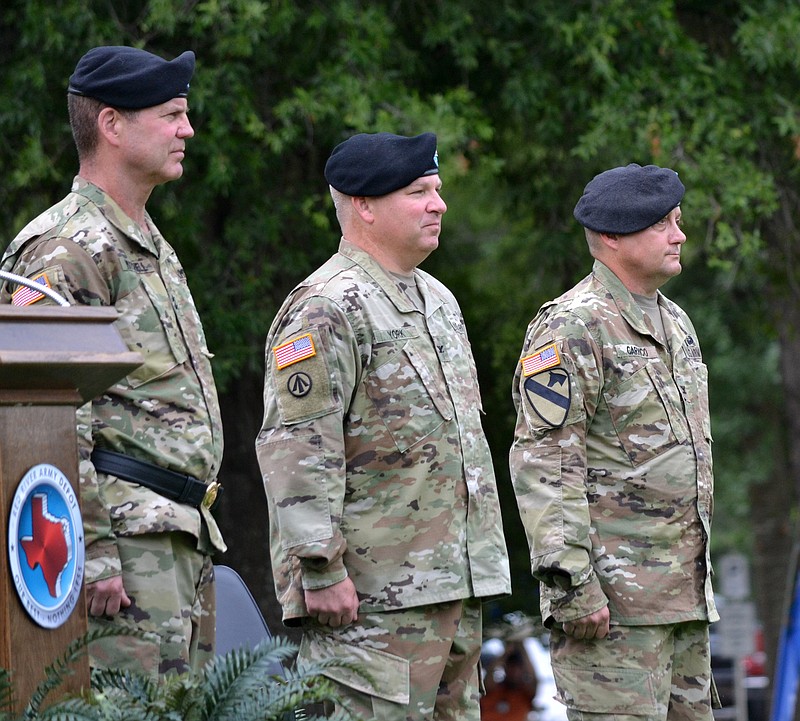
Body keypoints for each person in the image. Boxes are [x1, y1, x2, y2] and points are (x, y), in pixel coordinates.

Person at [256, 131, 511, 720]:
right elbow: (297, 447)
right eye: (419, 191)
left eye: (438, 189)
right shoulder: (327, 306)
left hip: (452, 588)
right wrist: (320, 568)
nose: (438, 203)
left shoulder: (439, 301)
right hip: (371, 601)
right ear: (364, 205)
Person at [0, 45, 225, 680]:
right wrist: (89, 547)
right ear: (112, 124)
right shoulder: (67, 247)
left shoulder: (146, 243)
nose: (187, 130)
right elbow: (44, 410)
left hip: (178, 536)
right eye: (172, 114)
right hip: (123, 549)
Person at [509, 163, 719, 721]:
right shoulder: (572, 327)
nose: (680, 235)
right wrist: (572, 584)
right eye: (663, 225)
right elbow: (546, 462)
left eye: (678, 220)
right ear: (612, 238)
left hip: (680, 603)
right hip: (612, 611)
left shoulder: (675, 323)